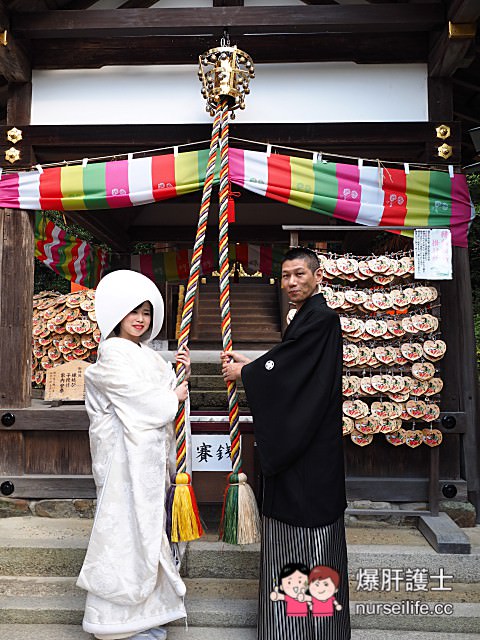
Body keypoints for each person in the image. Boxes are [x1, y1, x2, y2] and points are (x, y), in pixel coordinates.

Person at [221, 247, 350, 640]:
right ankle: (297, 628)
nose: (291, 282)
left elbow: (292, 371)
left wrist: (249, 373)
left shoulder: (322, 318)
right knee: (296, 541)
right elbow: (289, 362)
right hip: (305, 450)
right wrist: (257, 364)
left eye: (299, 274)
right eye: (285, 276)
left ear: (317, 276)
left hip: (309, 455)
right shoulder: (309, 318)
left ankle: (307, 630)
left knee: (311, 541)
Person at [77, 270, 191, 640]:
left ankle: (144, 616)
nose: (140, 319)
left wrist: (178, 373)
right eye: (132, 312)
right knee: (123, 536)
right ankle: (113, 624)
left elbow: (159, 389)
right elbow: (143, 402)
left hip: (146, 460)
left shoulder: (146, 355)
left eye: (145, 312)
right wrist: (170, 398)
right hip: (123, 464)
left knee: (147, 535)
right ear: (117, 316)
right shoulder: (110, 356)